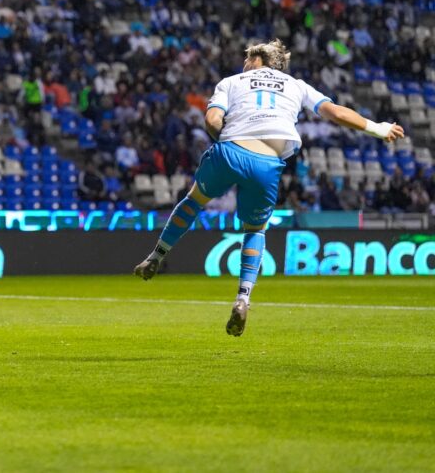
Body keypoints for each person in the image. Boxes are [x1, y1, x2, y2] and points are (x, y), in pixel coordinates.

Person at [133, 40, 404, 336]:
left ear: (256, 60)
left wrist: (225, 141)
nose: (245, 64)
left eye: (248, 59)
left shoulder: (232, 82)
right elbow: (336, 113)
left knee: (194, 200)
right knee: (255, 229)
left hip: (231, 150)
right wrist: (379, 128)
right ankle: (243, 297)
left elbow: (212, 120)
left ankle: (156, 256)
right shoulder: (297, 85)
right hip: (268, 163)